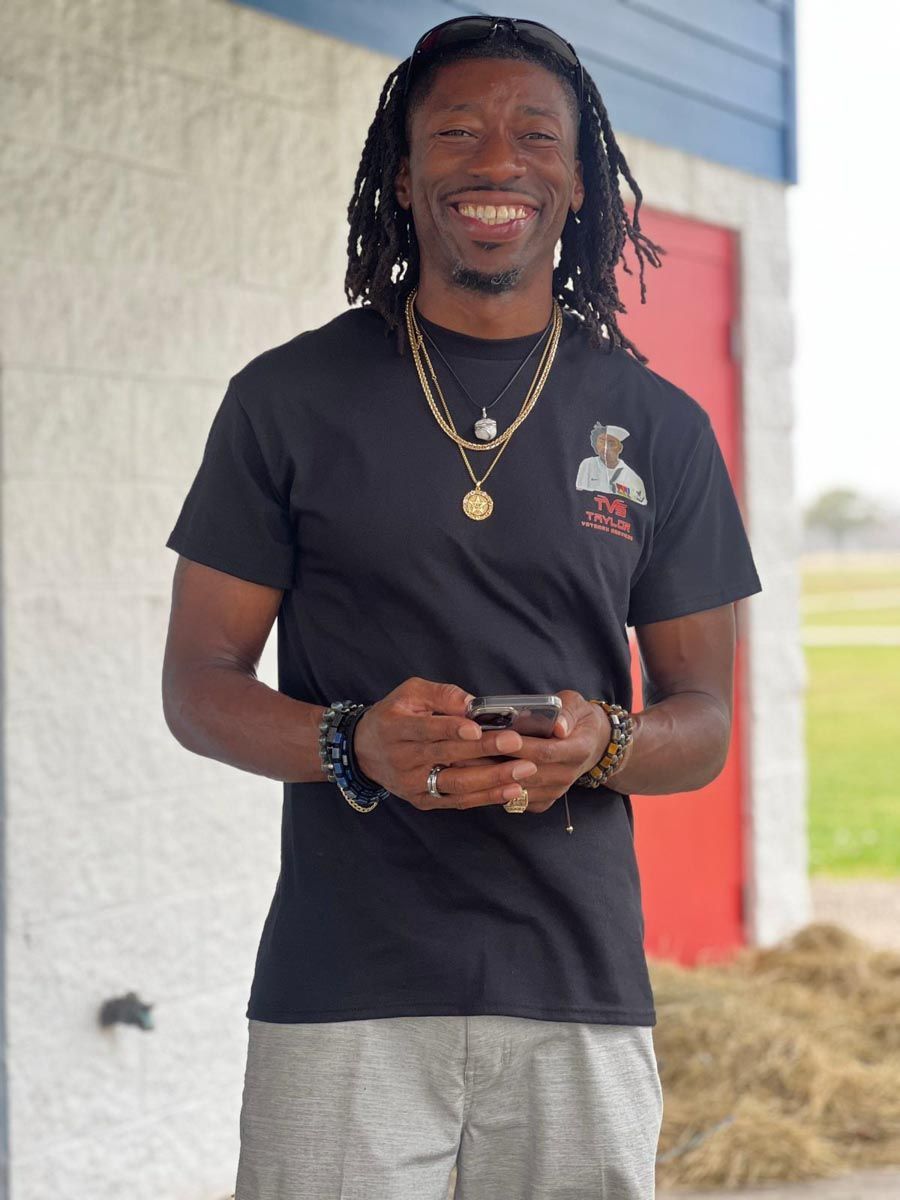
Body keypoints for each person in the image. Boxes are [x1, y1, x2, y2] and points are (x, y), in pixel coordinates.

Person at [162, 14, 761, 1199]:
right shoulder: (285, 402)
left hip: (577, 991)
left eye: (535, 134)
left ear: (579, 182)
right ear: (403, 169)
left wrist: (608, 741)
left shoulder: (663, 428)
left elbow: (704, 722)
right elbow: (198, 686)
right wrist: (351, 740)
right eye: (457, 132)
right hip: (343, 990)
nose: (497, 162)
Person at [576, 423, 647, 504]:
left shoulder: (632, 478)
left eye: (611, 443)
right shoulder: (588, 465)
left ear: (620, 448)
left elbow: (641, 507)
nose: (605, 447)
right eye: (601, 441)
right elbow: (579, 496)